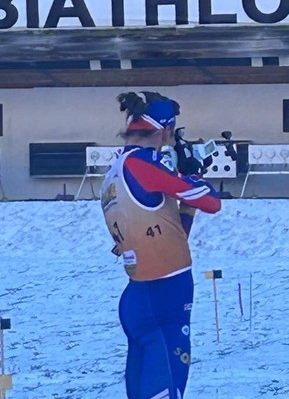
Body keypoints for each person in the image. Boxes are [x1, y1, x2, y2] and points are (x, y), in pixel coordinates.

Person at [100, 91, 222, 399]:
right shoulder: (144, 165)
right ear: (164, 130)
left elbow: (168, 233)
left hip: (140, 295)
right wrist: (192, 174)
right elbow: (211, 202)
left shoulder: (113, 173)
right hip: (165, 295)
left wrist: (183, 185)